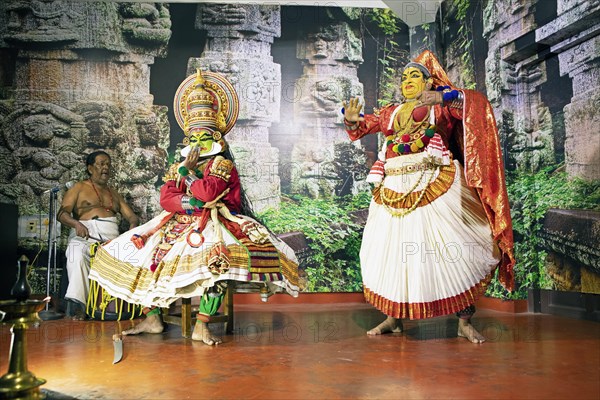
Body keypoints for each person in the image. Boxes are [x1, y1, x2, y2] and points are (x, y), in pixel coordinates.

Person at [89, 70, 299, 345]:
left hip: (217, 224)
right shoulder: (181, 165)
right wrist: (191, 198)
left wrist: (188, 178)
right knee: (132, 255)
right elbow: (167, 198)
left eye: (204, 138)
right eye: (193, 139)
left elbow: (208, 191)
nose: (198, 144)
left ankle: (202, 324)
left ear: (218, 139)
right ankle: (152, 318)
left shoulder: (222, 164)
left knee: (218, 265)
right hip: (177, 222)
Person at [341, 50, 515, 343]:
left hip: (438, 187)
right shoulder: (391, 112)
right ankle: (393, 318)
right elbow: (363, 127)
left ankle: (464, 321)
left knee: (456, 250)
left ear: (428, 82)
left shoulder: (442, 106)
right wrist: (350, 120)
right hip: (392, 191)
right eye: (404, 76)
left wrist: (444, 98)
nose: (407, 81)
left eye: (415, 76)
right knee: (391, 253)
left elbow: (476, 105)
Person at [58, 150, 139, 319]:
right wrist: (76, 223)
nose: (106, 167)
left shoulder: (114, 193)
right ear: (90, 168)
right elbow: (62, 214)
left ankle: (131, 308)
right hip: (84, 234)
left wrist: (132, 227)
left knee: (135, 256)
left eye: (108, 164)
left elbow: (131, 216)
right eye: (101, 163)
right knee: (76, 254)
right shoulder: (78, 188)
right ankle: (81, 305)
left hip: (111, 238)